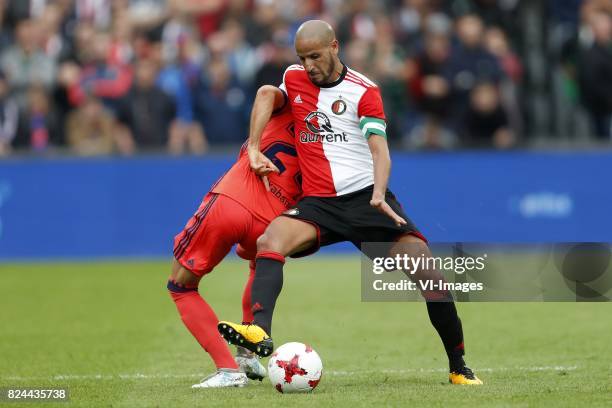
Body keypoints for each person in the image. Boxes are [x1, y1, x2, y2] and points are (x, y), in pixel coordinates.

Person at [217, 20, 482, 385]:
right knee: (270, 241)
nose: (308, 65)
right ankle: (259, 332)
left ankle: (458, 367)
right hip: (319, 205)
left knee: (431, 278)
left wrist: (378, 192)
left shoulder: (364, 91)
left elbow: (381, 152)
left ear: (334, 47)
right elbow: (266, 95)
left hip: (367, 201)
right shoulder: (293, 79)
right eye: (302, 57)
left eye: (315, 56)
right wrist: (254, 148)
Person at [167, 85, 301, 388]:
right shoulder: (327, 136)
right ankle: (246, 351)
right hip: (273, 221)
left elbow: (266, 92)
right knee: (259, 269)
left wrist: (254, 147)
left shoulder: (289, 101)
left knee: (180, 285)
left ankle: (228, 370)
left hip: (233, 199)